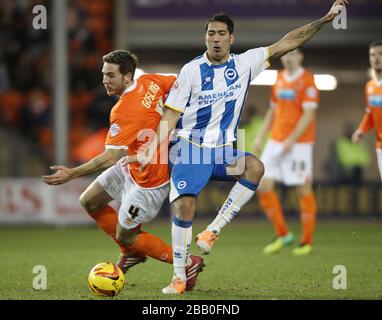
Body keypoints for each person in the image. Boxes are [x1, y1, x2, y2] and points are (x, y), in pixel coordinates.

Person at [124, 1, 348, 294]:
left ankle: (213, 230)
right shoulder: (191, 71)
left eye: (221, 34)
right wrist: (151, 147)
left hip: (224, 150)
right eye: (210, 34)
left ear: (232, 38)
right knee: (184, 204)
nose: (215, 39)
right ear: (205, 38)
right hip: (192, 147)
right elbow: (170, 115)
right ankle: (179, 277)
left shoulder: (245, 63)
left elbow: (288, 41)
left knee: (255, 167)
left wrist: (325, 19)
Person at [41, 50, 204, 291]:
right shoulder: (149, 80)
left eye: (110, 75)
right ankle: (132, 253)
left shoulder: (125, 110)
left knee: (127, 233)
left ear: (127, 77)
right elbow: (180, 84)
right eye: (103, 74)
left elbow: (110, 157)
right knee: (89, 201)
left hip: (149, 179)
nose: (105, 80)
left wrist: (71, 173)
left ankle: (185, 262)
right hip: (131, 164)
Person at [253, 49, 319, 256]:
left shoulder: (308, 80)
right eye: (286, 55)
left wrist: (292, 139)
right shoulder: (279, 78)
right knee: (263, 184)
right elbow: (272, 110)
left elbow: (308, 115)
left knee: (303, 189)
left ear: (301, 56)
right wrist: (260, 137)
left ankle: (306, 241)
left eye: (293, 54)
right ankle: (282, 234)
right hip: (276, 140)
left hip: (299, 143)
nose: (289, 58)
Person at [352, 41, 382, 182]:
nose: (376, 58)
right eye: (372, 55)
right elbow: (370, 113)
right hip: (380, 145)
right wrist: (361, 130)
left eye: (380, 54)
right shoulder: (370, 86)